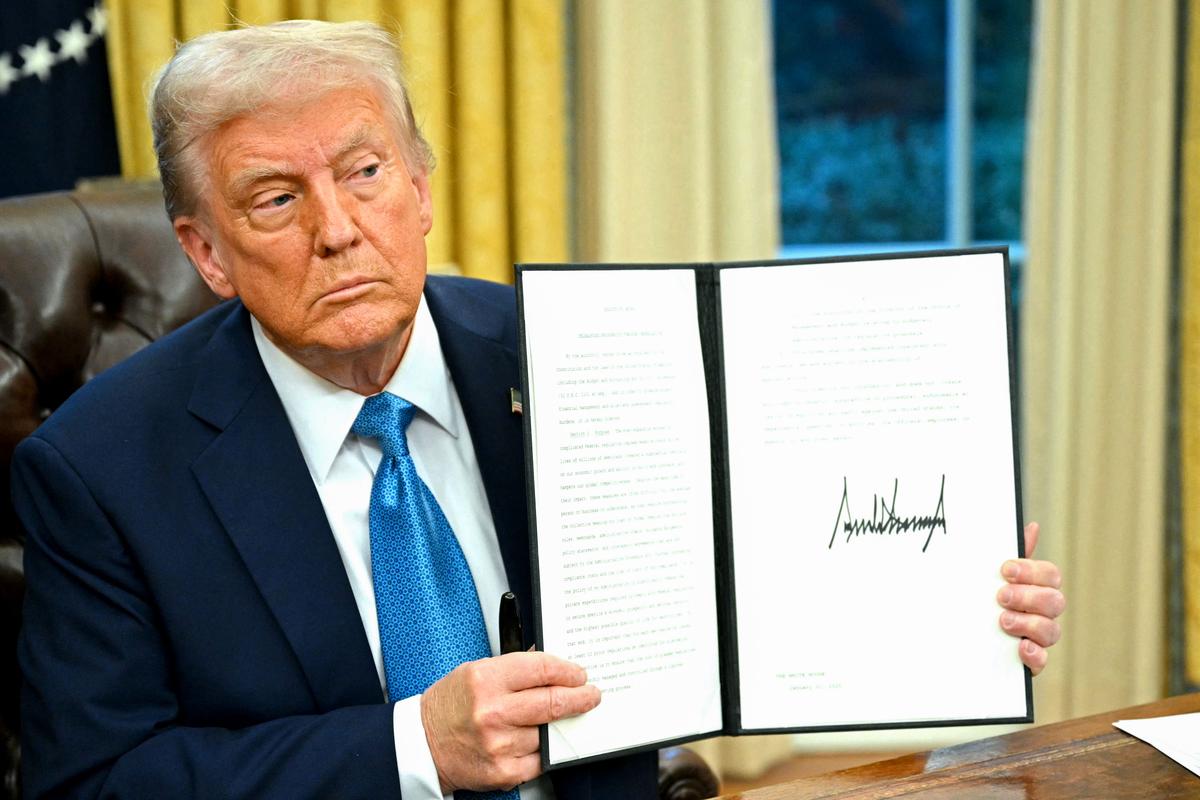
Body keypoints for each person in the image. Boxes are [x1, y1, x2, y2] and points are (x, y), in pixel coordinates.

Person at [9, 19, 1065, 800]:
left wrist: (941, 601)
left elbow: (743, 578)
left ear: (420, 190)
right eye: (275, 198)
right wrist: (411, 745)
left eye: (365, 172)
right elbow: (94, 781)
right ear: (206, 252)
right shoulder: (99, 468)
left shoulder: (571, 352)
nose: (337, 228)